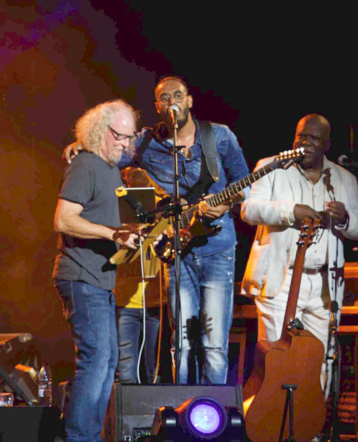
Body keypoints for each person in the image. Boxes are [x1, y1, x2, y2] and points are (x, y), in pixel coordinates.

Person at [65, 76, 251, 385]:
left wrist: (226, 203)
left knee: (215, 343)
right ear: (157, 106)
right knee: (181, 342)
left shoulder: (219, 136)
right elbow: (110, 151)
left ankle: (214, 420)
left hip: (218, 248)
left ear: (189, 100)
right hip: (176, 251)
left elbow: (244, 183)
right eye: (164, 98)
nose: (171, 102)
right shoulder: (147, 142)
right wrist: (82, 146)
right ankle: (184, 415)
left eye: (178, 95)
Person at [240, 114, 358, 396]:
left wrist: (345, 217)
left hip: (324, 284)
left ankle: (310, 431)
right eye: (301, 136)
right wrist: (291, 212)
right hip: (281, 280)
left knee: (320, 362)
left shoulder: (343, 178)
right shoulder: (271, 167)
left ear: (327, 145)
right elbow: (249, 209)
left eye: (313, 139)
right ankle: (273, 430)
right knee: (277, 359)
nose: (305, 143)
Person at [53, 99, 141, 442]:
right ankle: (80, 438)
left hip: (100, 278)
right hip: (79, 276)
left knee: (107, 362)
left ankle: (89, 436)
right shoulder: (86, 165)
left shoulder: (110, 167)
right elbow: (63, 219)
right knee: (96, 360)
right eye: (119, 136)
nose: (125, 143)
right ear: (99, 131)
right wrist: (112, 234)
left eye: (129, 138)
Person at [114, 167, 164, 385]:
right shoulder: (118, 206)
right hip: (126, 301)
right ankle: (125, 416)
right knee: (126, 369)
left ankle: (154, 416)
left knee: (154, 370)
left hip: (157, 301)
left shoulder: (164, 206)